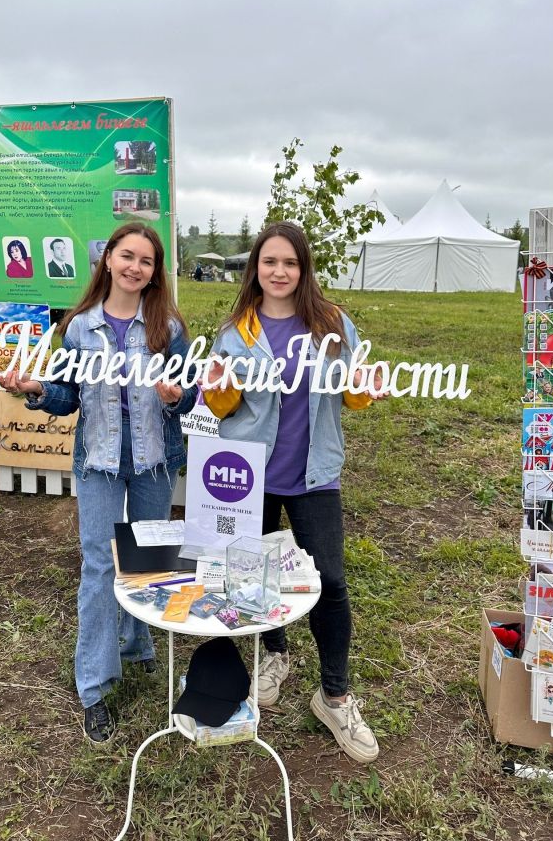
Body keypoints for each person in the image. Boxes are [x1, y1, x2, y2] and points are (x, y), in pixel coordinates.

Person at [0, 223, 196, 745]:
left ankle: (137, 646)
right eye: (126, 256)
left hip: (155, 460)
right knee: (101, 563)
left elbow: (190, 395)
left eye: (146, 261)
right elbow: (68, 396)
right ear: (107, 259)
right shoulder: (81, 328)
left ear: (155, 273)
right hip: (99, 462)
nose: (135, 267)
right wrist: (39, 388)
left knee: (149, 558)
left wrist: (177, 395)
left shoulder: (168, 325)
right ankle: (95, 685)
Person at [203, 221, 386, 764]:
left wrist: (364, 389)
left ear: (303, 269)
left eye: (290, 263)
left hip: (315, 475)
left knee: (329, 581)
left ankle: (334, 694)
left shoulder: (332, 324)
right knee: (254, 578)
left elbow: (352, 398)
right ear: (255, 268)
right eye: (269, 262)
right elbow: (222, 408)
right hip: (249, 475)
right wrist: (218, 389)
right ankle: (275, 654)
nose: (279, 272)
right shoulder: (236, 331)